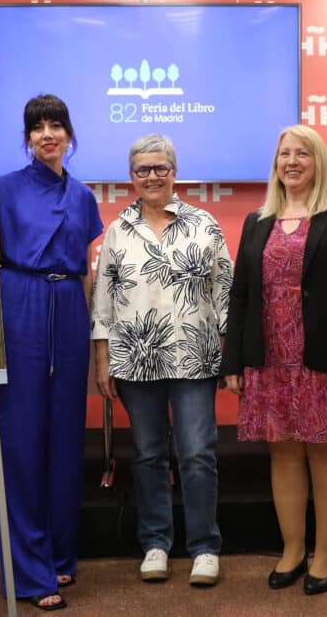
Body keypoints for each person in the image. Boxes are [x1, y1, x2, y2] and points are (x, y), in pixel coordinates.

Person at [220, 124, 327, 596]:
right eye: (284, 154)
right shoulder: (256, 222)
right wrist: (234, 362)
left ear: (318, 162)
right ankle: (292, 549)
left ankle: (325, 553)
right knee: (283, 452)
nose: (291, 161)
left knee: (326, 454)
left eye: (302, 154)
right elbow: (240, 295)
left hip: (323, 360)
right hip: (270, 361)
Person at [91, 134, 232, 587]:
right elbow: (103, 303)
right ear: (131, 177)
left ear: (174, 172)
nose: (151, 177)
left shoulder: (205, 225)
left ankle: (205, 547)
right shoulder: (117, 230)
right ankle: (155, 542)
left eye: (160, 168)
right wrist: (102, 360)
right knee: (148, 455)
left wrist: (232, 358)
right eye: (142, 170)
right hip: (135, 360)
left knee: (196, 455)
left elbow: (224, 294)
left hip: (195, 357)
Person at [0, 93, 102, 611]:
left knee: (64, 440)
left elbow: (83, 267)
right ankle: (30, 572)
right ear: (28, 137)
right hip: (22, 305)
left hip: (69, 309)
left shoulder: (82, 196)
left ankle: (60, 556)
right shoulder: (3, 189)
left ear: (70, 134)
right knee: (23, 441)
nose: (47, 134)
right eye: (38, 126)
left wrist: (89, 330)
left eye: (56, 124)